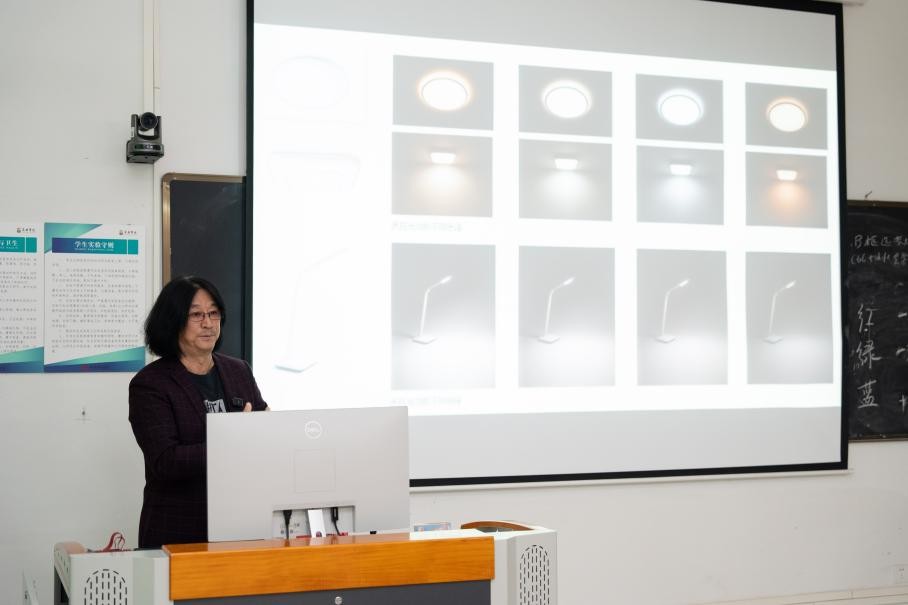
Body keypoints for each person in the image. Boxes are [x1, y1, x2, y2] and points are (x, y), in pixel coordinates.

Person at [128, 276, 268, 548]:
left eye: (214, 313)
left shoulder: (238, 370)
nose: (208, 323)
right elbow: (165, 461)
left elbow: (262, 427)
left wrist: (267, 427)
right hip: (178, 530)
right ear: (173, 321)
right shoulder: (150, 384)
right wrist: (233, 442)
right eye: (196, 315)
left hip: (242, 523)